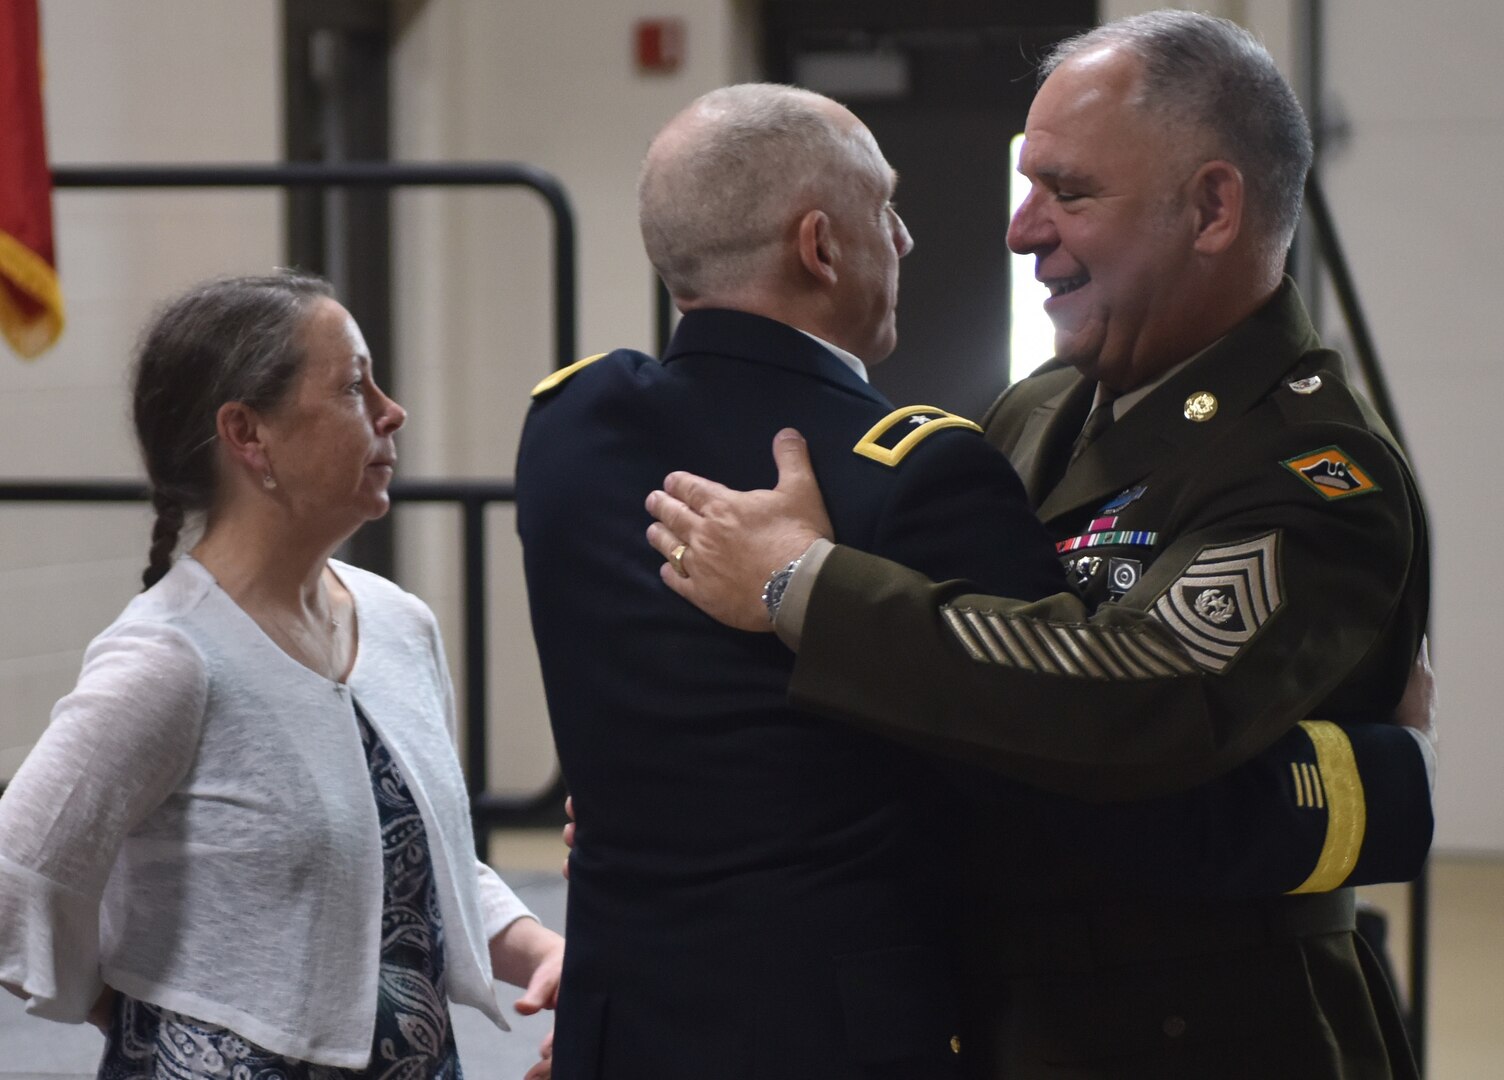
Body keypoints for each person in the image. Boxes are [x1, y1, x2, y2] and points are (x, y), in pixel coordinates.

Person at [645, 14, 1432, 1079]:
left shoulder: (1309, 467)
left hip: (1210, 1031)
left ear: (1211, 207)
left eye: (1069, 192)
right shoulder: (1042, 408)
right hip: (1013, 1008)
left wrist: (804, 586)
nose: (1019, 230)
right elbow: (947, 707)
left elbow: (1139, 696)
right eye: (1028, 186)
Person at [518, 82, 1068, 1080]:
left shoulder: (567, 429)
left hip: (621, 1029)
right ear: (819, 246)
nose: (901, 240)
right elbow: (1037, 761)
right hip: (834, 1036)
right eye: (885, 211)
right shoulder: (925, 470)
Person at [0, 273, 563, 1078]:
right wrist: (143, 1017)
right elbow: (17, 874)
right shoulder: (168, 659)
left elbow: (420, 867)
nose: (390, 409)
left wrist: (545, 950)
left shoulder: (400, 623)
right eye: (352, 386)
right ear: (248, 434)